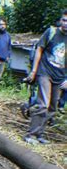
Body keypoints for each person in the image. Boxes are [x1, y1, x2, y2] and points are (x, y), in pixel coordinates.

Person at [23, 9, 67, 144]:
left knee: (53, 107)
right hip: (45, 72)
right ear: (61, 20)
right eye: (64, 20)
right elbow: (39, 49)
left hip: (60, 77)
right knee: (43, 104)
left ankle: (39, 134)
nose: (66, 23)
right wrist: (34, 71)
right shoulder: (51, 32)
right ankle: (31, 135)